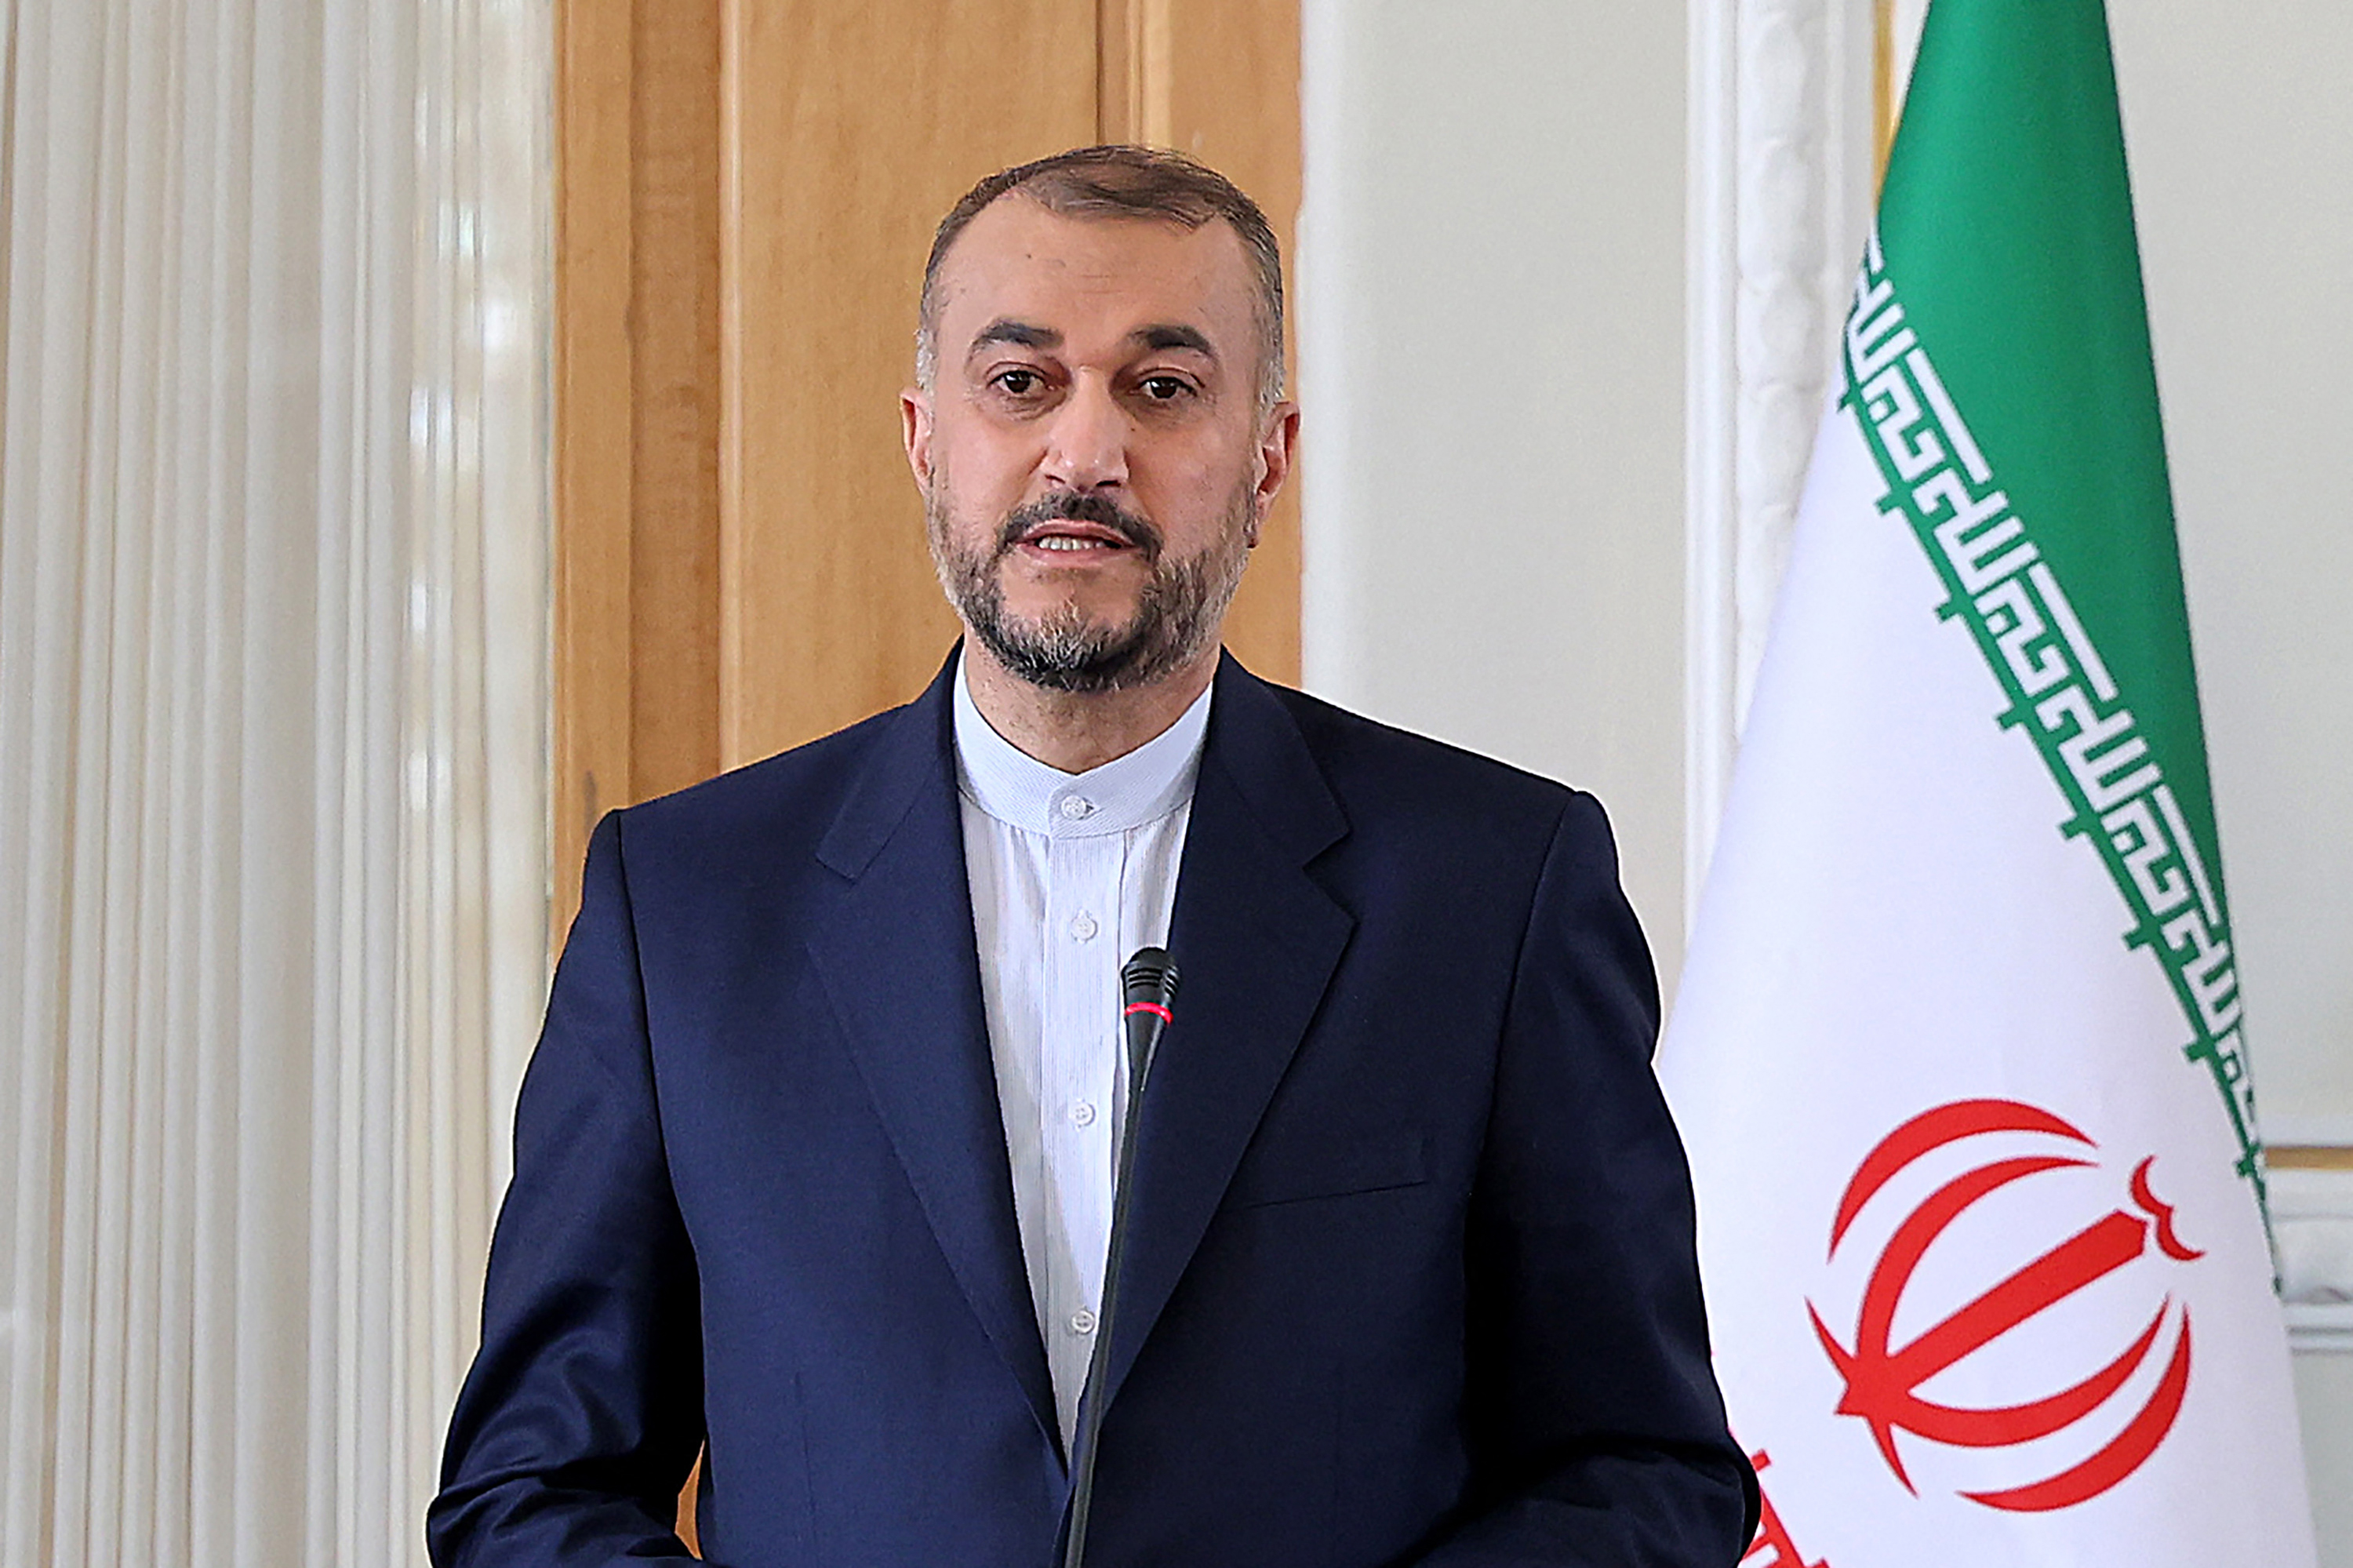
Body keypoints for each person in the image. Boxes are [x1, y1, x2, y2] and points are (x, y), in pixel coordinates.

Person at [429, 144, 1757, 1567]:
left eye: (1162, 387)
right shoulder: (684, 908)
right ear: (925, 435)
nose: (1085, 453)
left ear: (1268, 455)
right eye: (1021, 383)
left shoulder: (1493, 888)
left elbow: (1645, 1468)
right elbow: (532, 1493)